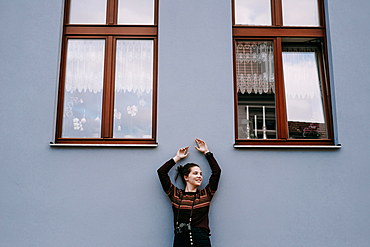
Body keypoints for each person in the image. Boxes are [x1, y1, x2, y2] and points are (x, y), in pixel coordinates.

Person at [157, 138, 221, 247]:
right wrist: (177, 157)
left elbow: (217, 172)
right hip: (181, 240)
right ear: (186, 177)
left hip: (202, 240)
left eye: (200, 174)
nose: (199, 176)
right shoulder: (176, 195)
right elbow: (161, 172)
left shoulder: (205, 194)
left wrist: (207, 152)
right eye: (195, 173)